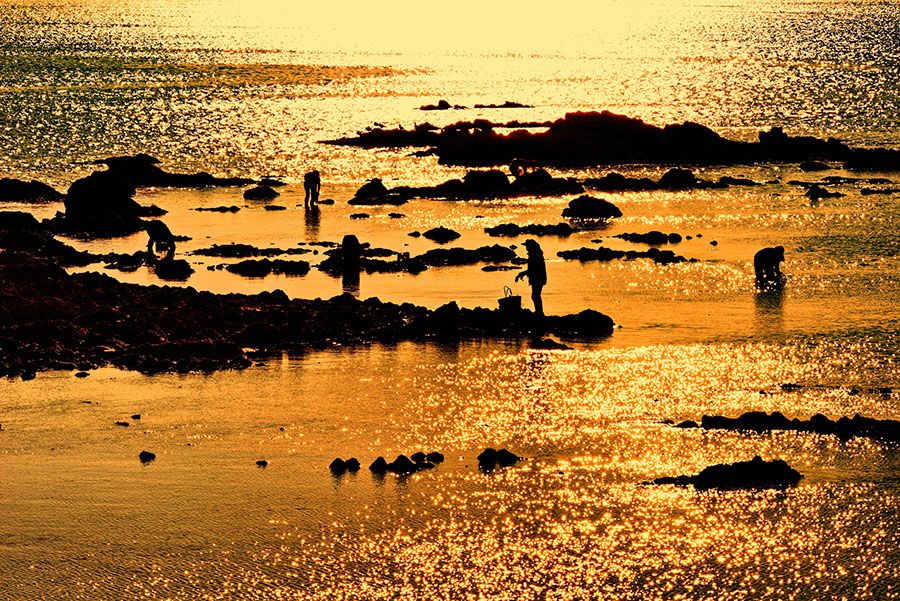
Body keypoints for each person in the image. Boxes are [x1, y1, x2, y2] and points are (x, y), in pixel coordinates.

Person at [515, 239, 547, 316]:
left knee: (535, 296)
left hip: (538, 278)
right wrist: (522, 274)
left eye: (527, 246)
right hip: (538, 277)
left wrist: (521, 274)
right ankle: (539, 312)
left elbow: (533, 269)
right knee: (535, 295)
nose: (526, 248)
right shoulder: (536, 255)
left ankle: (539, 313)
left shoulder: (535, 256)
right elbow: (532, 269)